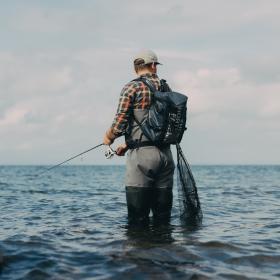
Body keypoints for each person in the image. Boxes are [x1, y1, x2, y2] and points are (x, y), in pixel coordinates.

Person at [103, 50, 175, 224]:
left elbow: (120, 122)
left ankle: (140, 250)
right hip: (166, 156)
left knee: (138, 219)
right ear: (152, 65)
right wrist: (128, 145)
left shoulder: (132, 87)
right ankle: (164, 250)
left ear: (136, 68)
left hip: (142, 158)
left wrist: (108, 138)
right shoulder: (166, 88)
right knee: (162, 219)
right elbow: (159, 124)